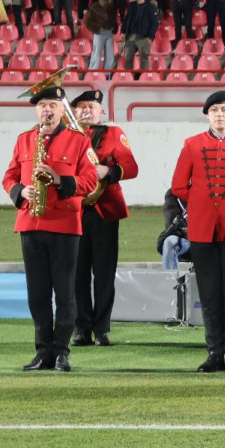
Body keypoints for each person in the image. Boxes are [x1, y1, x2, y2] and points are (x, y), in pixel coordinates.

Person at [2, 86, 98, 372]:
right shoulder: (24, 139)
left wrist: (59, 180)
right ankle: (43, 352)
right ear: (37, 110)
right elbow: (9, 177)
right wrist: (20, 191)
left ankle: (61, 352)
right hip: (31, 223)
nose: (47, 110)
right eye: (42, 105)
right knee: (37, 294)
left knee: (65, 294)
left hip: (65, 225)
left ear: (61, 110)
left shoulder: (79, 140)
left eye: (52, 105)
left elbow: (90, 181)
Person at [173, 90, 225, 374]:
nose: (220, 115)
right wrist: (201, 207)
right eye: (215, 110)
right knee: (209, 295)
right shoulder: (192, 144)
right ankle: (214, 353)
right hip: (202, 230)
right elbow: (179, 186)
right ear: (208, 115)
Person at [70, 90, 138, 348]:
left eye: (92, 107)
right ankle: (81, 329)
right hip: (74, 210)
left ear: (102, 112)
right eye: (82, 107)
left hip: (104, 211)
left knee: (104, 273)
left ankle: (101, 329)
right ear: (74, 111)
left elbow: (131, 168)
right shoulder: (67, 134)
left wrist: (108, 170)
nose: (87, 110)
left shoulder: (113, 133)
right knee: (77, 274)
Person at [120, 0, 159, 73]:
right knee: (128, 57)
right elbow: (127, 19)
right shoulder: (132, 6)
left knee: (143, 59)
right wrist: (123, 31)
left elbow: (155, 23)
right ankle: (129, 77)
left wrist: (150, 36)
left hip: (143, 37)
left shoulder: (150, 7)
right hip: (131, 36)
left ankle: (144, 78)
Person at [84, 0, 117, 71]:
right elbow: (88, 22)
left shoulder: (111, 8)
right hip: (99, 34)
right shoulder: (94, 8)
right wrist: (97, 29)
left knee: (109, 56)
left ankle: (107, 73)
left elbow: (114, 20)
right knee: (96, 54)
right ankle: (92, 72)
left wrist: (114, 28)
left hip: (109, 33)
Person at [158, 190, 190, 269]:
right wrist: (180, 223)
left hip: (208, 240)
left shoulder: (207, 192)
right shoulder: (172, 195)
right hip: (186, 240)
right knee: (170, 241)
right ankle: (170, 275)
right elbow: (170, 225)